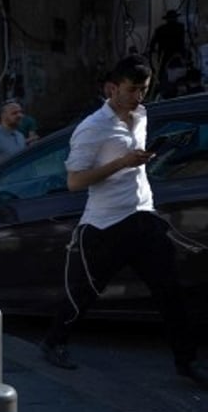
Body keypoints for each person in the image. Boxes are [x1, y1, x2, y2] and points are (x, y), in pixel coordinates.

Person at [40, 55, 206, 386]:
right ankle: (54, 341)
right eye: (132, 90)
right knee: (86, 292)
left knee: (170, 291)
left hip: (143, 216)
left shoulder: (141, 115)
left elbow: (136, 163)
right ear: (111, 88)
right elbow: (74, 182)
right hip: (106, 225)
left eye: (144, 90)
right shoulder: (92, 128)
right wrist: (122, 163)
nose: (138, 97)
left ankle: (186, 362)